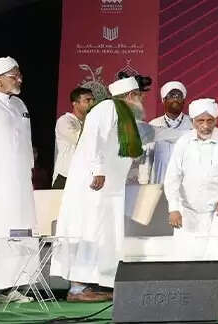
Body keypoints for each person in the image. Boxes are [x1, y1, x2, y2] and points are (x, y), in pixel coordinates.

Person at [51, 76, 147, 302]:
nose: (141, 101)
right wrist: (98, 170)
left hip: (109, 188)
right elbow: (93, 139)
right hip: (93, 183)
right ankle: (77, 288)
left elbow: (139, 141)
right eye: (140, 96)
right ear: (131, 96)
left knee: (104, 234)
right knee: (88, 229)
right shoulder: (107, 108)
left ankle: (94, 283)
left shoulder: (125, 115)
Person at [163, 98, 218, 280]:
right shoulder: (184, 142)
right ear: (193, 121)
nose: (205, 125)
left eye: (210, 120)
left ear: (216, 119)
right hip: (188, 211)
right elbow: (172, 178)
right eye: (200, 121)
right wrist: (174, 208)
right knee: (185, 260)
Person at [0, 56, 38, 303]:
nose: (19, 79)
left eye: (19, 74)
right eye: (14, 75)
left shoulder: (20, 104)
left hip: (20, 179)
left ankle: (12, 285)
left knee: (20, 229)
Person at [145, 81, 193, 184]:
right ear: (163, 100)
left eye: (179, 95)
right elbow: (148, 157)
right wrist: (144, 182)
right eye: (171, 95)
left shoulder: (193, 124)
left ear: (184, 101)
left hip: (187, 183)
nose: (175, 98)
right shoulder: (154, 124)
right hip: (160, 182)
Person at [53, 87, 95, 189]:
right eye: (87, 100)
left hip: (85, 177)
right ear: (75, 103)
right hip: (65, 176)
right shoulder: (65, 121)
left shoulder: (92, 122)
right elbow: (81, 140)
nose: (92, 103)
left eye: (93, 100)